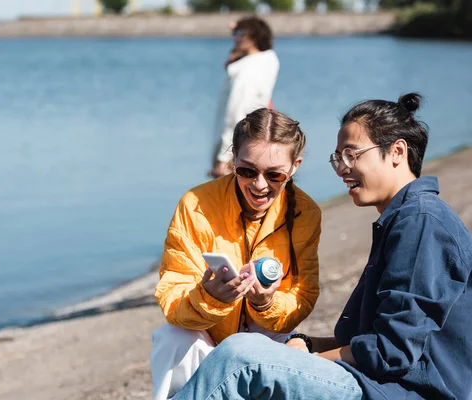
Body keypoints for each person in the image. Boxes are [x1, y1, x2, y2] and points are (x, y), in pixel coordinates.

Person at [172, 93, 472, 400]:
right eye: (337, 158)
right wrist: (307, 342)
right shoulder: (404, 218)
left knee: (241, 358)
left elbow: (392, 351)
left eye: (351, 156)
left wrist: (300, 359)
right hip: (385, 382)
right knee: (258, 349)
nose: (341, 169)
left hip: (408, 391)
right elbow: (369, 340)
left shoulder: (421, 221)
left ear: (397, 151)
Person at [151, 108, 322, 400]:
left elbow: (301, 298)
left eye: (275, 174)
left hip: (269, 335)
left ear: (295, 167)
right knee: (171, 337)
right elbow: (172, 293)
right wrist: (210, 297)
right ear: (233, 160)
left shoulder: (304, 213)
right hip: (209, 332)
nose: (259, 184)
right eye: (246, 170)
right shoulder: (196, 205)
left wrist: (266, 302)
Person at [210, 16, 280, 179]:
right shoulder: (268, 60)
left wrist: (223, 157)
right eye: (235, 33)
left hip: (237, 144)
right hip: (254, 138)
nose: (236, 37)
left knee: (229, 199)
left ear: (254, 36)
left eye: (240, 33)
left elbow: (235, 113)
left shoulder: (246, 71)